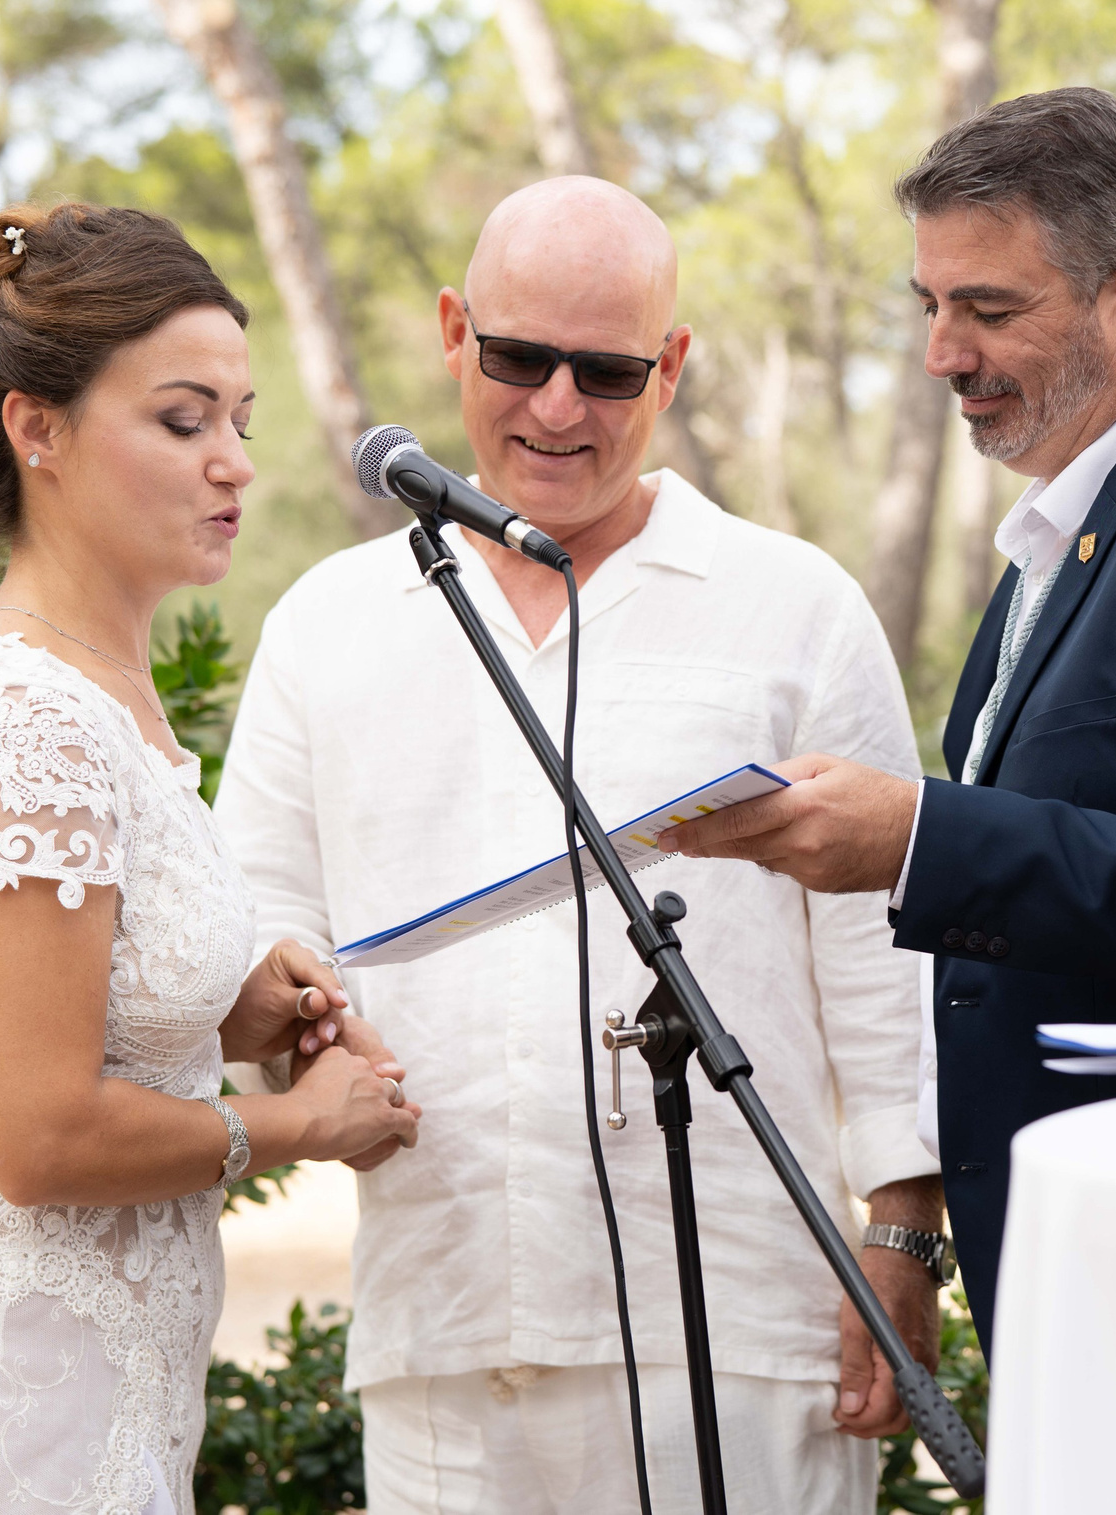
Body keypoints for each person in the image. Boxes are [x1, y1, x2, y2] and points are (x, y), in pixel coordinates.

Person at [213, 176, 942, 1514]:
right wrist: (312, 1032)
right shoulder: (326, 622)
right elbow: (257, 922)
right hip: (443, 1324)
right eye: (518, 356)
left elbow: (885, 958)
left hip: (742, 1328)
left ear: (671, 367)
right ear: (452, 332)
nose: (557, 406)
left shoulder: (798, 608)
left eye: (606, 370)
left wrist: (902, 1237)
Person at [659, 88, 1116, 1344]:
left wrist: (923, 844)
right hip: (1080, 1270)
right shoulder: (1054, 550)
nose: (943, 353)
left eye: (989, 310)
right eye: (930, 307)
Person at [0, 203, 421, 1515]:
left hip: (91, 1399)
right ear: (39, 430)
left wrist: (244, 995)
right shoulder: (25, 724)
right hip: (5, 1412)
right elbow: (29, 1129)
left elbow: (59, 1017)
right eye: (184, 421)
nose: (235, 462)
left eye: (240, 420)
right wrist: (299, 1125)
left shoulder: (106, 706)